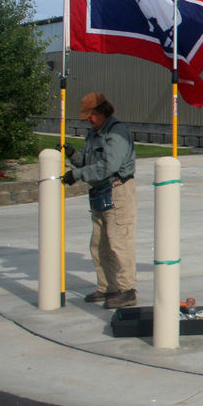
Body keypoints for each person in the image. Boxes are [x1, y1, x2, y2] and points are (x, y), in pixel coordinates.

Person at [62, 92, 137, 309]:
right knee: (99, 245)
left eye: (91, 115)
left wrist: (77, 175)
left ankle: (127, 289)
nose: (88, 119)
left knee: (119, 242)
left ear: (102, 112)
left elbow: (108, 166)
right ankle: (108, 287)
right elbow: (86, 161)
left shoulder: (117, 133)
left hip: (117, 191)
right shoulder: (93, 133)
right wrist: (72, 154)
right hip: (99, 193)